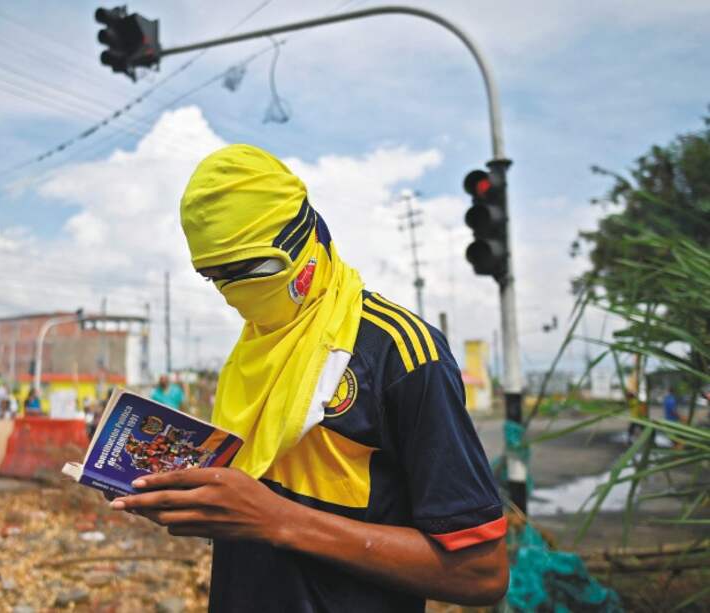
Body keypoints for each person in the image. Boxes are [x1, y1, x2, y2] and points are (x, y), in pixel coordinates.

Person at [109, 145, 508, 611]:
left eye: (251, 271)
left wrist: (277, 519)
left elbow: (481, 573)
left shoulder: (401, 355)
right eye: (216, 278)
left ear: (306, 240)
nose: (234, 294)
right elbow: (251, 520)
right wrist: (206, 507)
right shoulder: (249, 355)